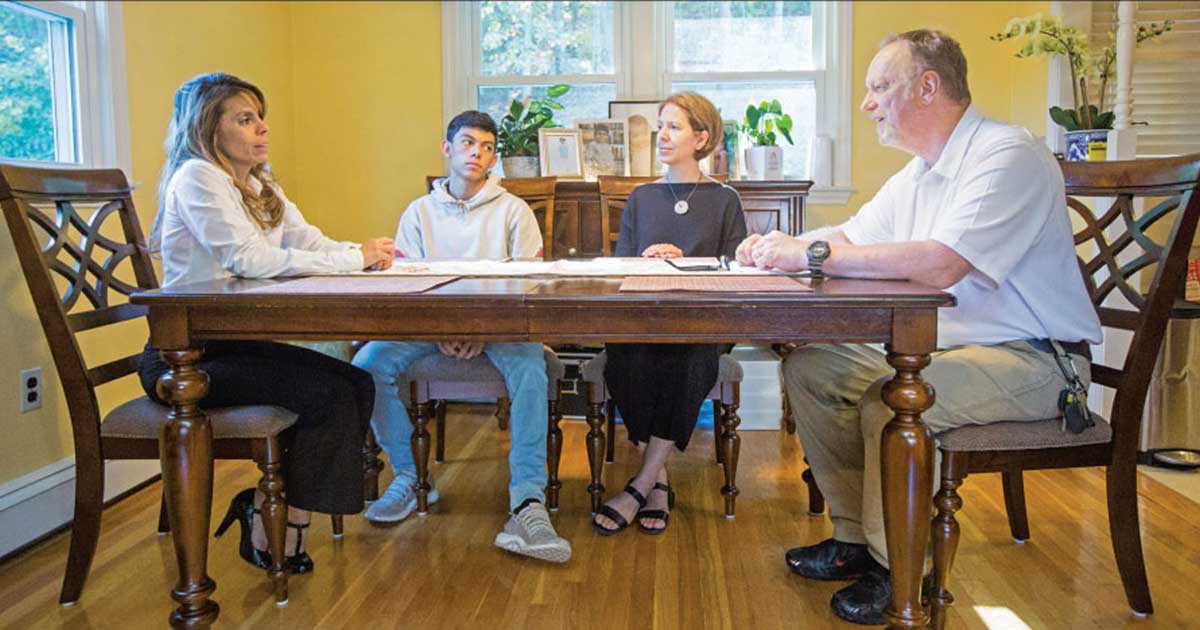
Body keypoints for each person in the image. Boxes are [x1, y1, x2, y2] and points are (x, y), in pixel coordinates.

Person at [735, 30, 1102, 625]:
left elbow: (940, 262)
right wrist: (776, 246)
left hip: (1038, 361)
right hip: (945, 354)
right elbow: (851, 235)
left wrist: (811, 256)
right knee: (813, 366)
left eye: (880, 86)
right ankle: (855, 537)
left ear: (927, 86)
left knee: (894, 401)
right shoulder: (921, 173)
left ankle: (899, 567)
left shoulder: (1006, 155)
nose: (867, 103)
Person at [139, 72, 395, 575]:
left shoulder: (259, 182)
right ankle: (276, 524)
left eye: (261, 117)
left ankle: (277, 511)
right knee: (328, 394)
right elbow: (248, 257)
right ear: (209, 129)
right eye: (245, 118)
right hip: (187, 359)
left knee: (355, 381)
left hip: (238, 346)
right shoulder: (197, 177)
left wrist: (363, 254)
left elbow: (310, 242)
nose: (262, 128)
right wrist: (352, 261)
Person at [351, 111, 572, 563]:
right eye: (468, 143)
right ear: (447, 148)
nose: (478, 153)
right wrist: (441, 329)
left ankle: (527, 499)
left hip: (502, 329)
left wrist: (481, 330)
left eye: (488, 147)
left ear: (494, 159)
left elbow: (528, 288)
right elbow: (406, 286)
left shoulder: (514, 211)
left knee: (533, 366)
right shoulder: (418, 213)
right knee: (367, 365)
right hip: (430, 328)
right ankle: (411, 479)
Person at [591, 92, 747, 536]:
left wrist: (685, 261)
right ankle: (657, 481)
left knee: (688, 357)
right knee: (625, 357)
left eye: (674, 127)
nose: (663, 135)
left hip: (705, 324)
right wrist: (648, 261)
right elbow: (620, 270)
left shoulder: (724, 199)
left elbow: (734, 272)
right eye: (662, 125)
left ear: (702, 138)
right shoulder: (642, 197)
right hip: (643, 320)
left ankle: (640, 485)